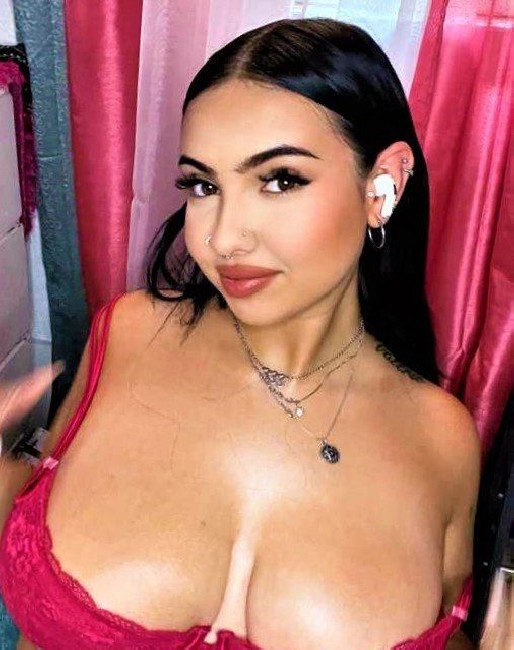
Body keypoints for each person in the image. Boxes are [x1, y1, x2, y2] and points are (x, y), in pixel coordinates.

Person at [0, 18, 481, 650]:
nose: (223, 238)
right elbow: (42, 531)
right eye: (203, 186)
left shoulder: (443, 440)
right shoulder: (126, 335)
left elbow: (446, 629)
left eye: (279, 180)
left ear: (382, 186)